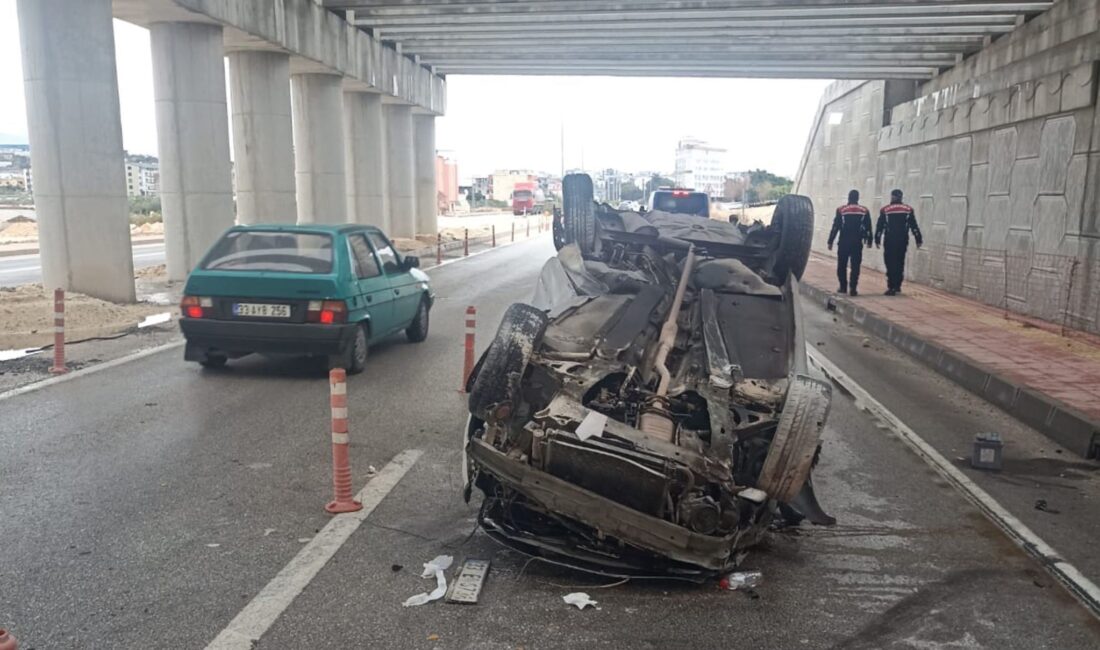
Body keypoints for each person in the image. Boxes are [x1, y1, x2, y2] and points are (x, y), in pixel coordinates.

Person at [875, 189, 923, 295]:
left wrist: (877, 238)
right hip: (902, 240)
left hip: (890, 240)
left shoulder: (885, 210)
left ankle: (891, 286)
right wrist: (918, 238)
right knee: (899, 262)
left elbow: (880, 226)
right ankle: (897, 285)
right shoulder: (908, 210)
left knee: (890, 262)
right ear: (901, 197)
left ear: (892, 197)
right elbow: (913, 226)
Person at [827, 189, 872, 296]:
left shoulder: (841, 210)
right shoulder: (864, 210)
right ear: (858, 198)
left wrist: (830, 241)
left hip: (844, 241)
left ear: (849, 197)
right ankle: (853, 288)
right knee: (855, 265)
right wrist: (870, 240)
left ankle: (843, 287)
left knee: (842, 264)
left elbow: (836, 226)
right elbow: (868, 227)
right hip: (857, 242)